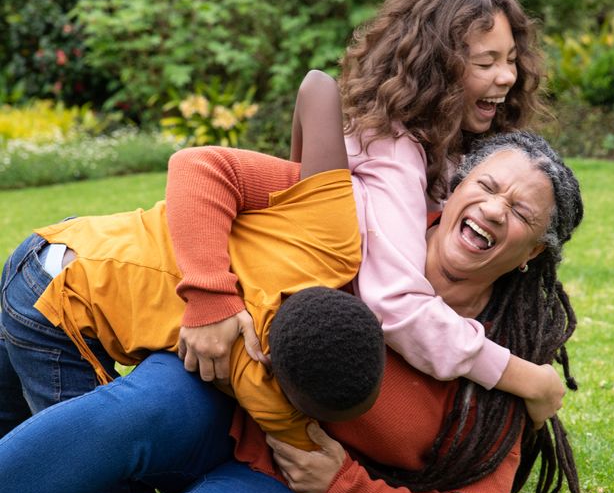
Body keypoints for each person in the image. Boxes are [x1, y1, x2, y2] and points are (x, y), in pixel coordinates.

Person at [0, 132, 585, 493]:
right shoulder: (367, 220)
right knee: (140, 411)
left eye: (521, 213)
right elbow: (206, 170)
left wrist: (345, 486)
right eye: (486, 185)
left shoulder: (507, 365)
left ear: (534, 253)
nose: (494, 209)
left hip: (299, 488)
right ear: (454, 187)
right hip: (221, 395)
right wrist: (213, 296)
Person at [170, 0, 565, 426]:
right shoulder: (393, 150)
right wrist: (527, 379)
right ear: (437, 67)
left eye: (512, 59)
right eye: (486, 63)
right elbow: (396, 304)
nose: (507, 77)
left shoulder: (455, 152)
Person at [0, 147, 384, 449]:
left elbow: (317, 84)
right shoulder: (261, 385)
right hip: (55, 307)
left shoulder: (333, 243)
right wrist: (211, 297)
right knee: (78, 470)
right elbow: (305, 458)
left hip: (71, 243)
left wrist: (292, 178)